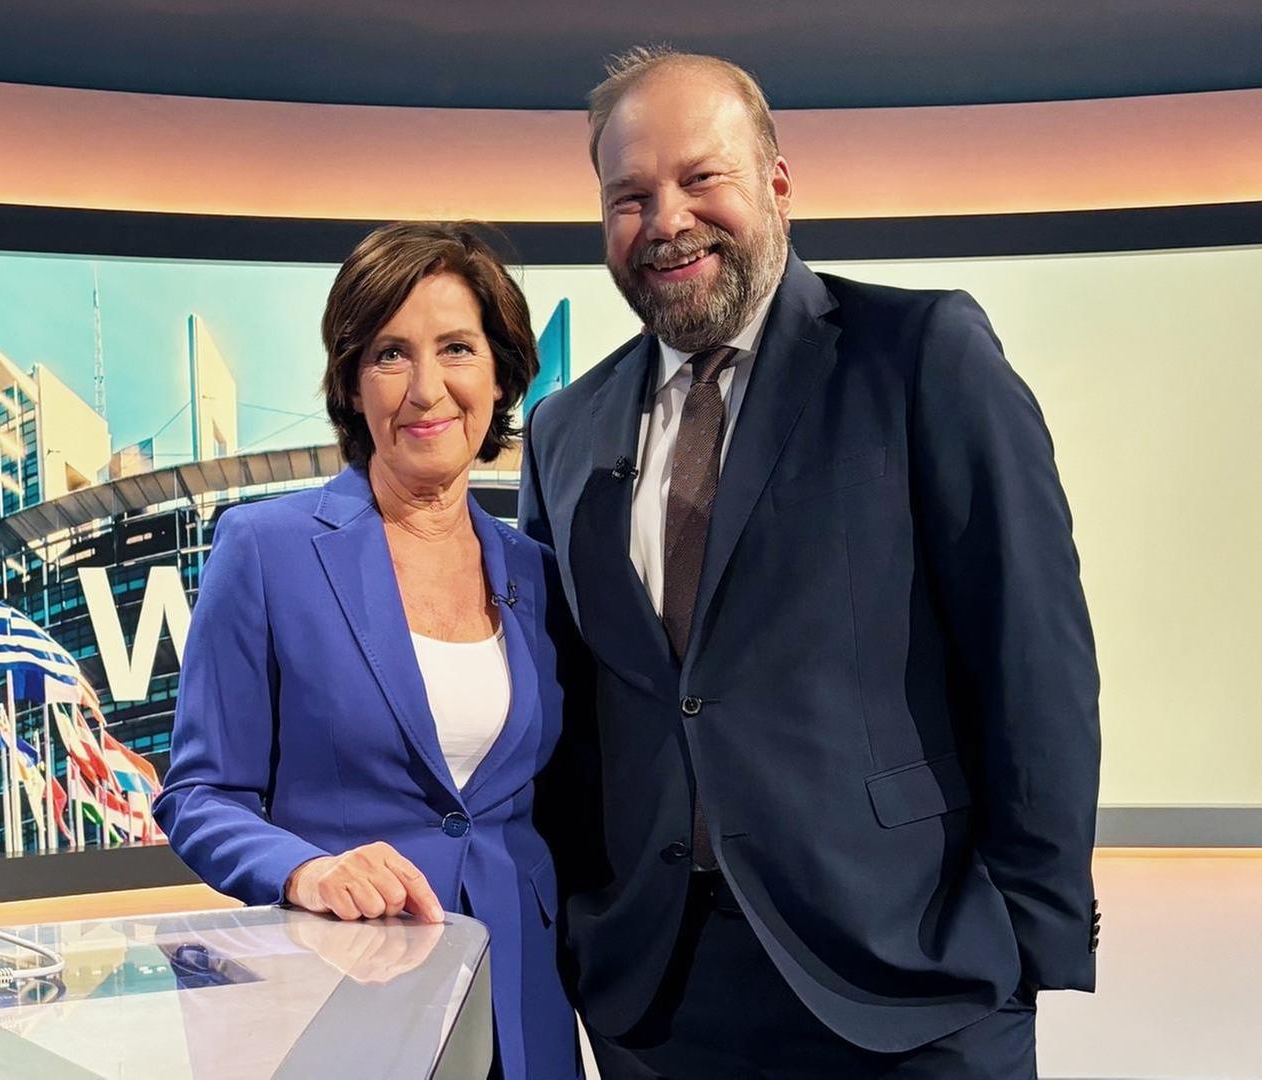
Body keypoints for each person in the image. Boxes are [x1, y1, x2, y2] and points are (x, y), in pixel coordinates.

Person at [519, 46, 1102, 1077]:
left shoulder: (920, 352)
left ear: (778, 184)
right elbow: (569, 711)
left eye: (701, 177)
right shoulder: (565, 429)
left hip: (908, 982)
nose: (666, 221)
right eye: (629, 197)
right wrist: (583, 929)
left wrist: (1021, 942)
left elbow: (1034, 657)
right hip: (658, 996)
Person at [157, 221, 581, 1079]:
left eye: (456, 349)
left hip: (524, 1005)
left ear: (500, 376)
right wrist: (306, 871)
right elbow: (198, 796)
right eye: (391, 354)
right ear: (352, 384)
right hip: (346, 1002)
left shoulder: (540, 572)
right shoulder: (266, 549)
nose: (427, 389)